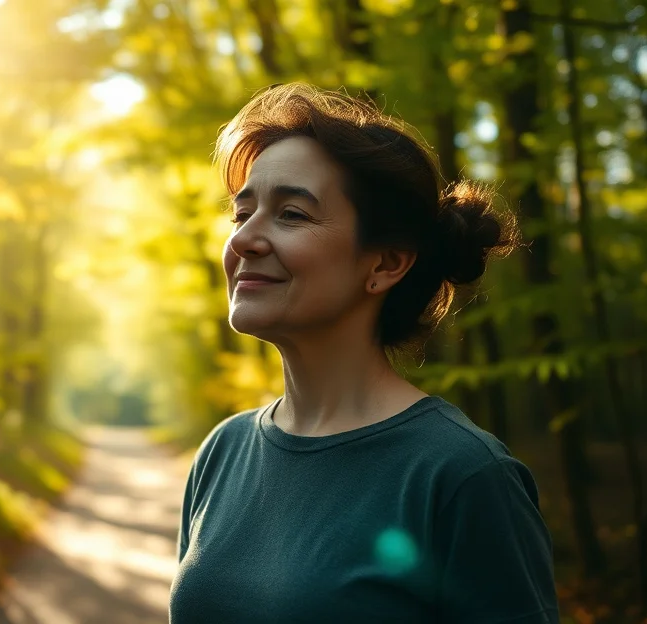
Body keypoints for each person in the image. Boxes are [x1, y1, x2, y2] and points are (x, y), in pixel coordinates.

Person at [169, 84, 559, 623]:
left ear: (385, 264)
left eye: (292, 214)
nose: (243, 240)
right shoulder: (223, 451)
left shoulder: (462, 475)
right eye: (241, 215)